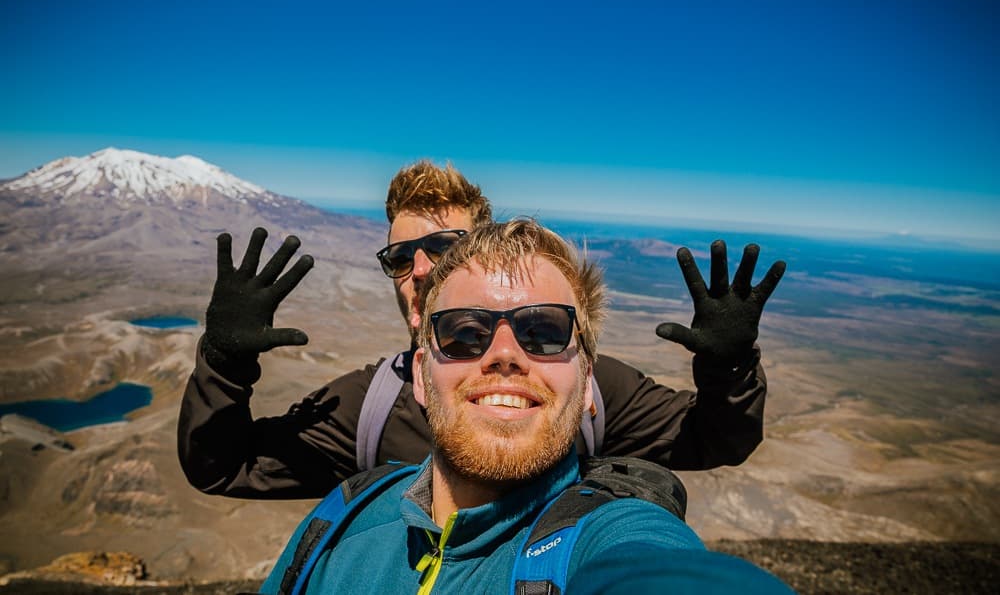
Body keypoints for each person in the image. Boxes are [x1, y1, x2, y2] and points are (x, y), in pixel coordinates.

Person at [178, 160, 786, 497]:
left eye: (443, 248)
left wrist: (728, 369)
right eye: (398, 258)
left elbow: (719, 440)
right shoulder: (368, 407)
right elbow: (223, 467)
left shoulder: (582, 387)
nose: (418, 271)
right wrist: (224, 365)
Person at [258, 220, 792, 594]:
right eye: (464, 334)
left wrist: (730, 375)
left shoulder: (605, 535)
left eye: (544, 332)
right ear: (420, 375)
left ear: (588, 385)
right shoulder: (341, 522)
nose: (506, 354)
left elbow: (653, 566)